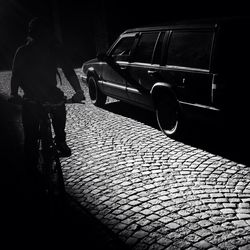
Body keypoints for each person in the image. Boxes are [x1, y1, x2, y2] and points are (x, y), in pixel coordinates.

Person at [10, 17, 85, 173]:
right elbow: (16, 74)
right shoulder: (26, 51)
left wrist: (79, 91)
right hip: (34, 96)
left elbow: (68, 70)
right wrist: (13, 93)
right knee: (31, 139)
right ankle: (56, 143)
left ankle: (59, 141)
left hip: (44, 94)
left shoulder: (48, 49)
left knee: (55, 112)